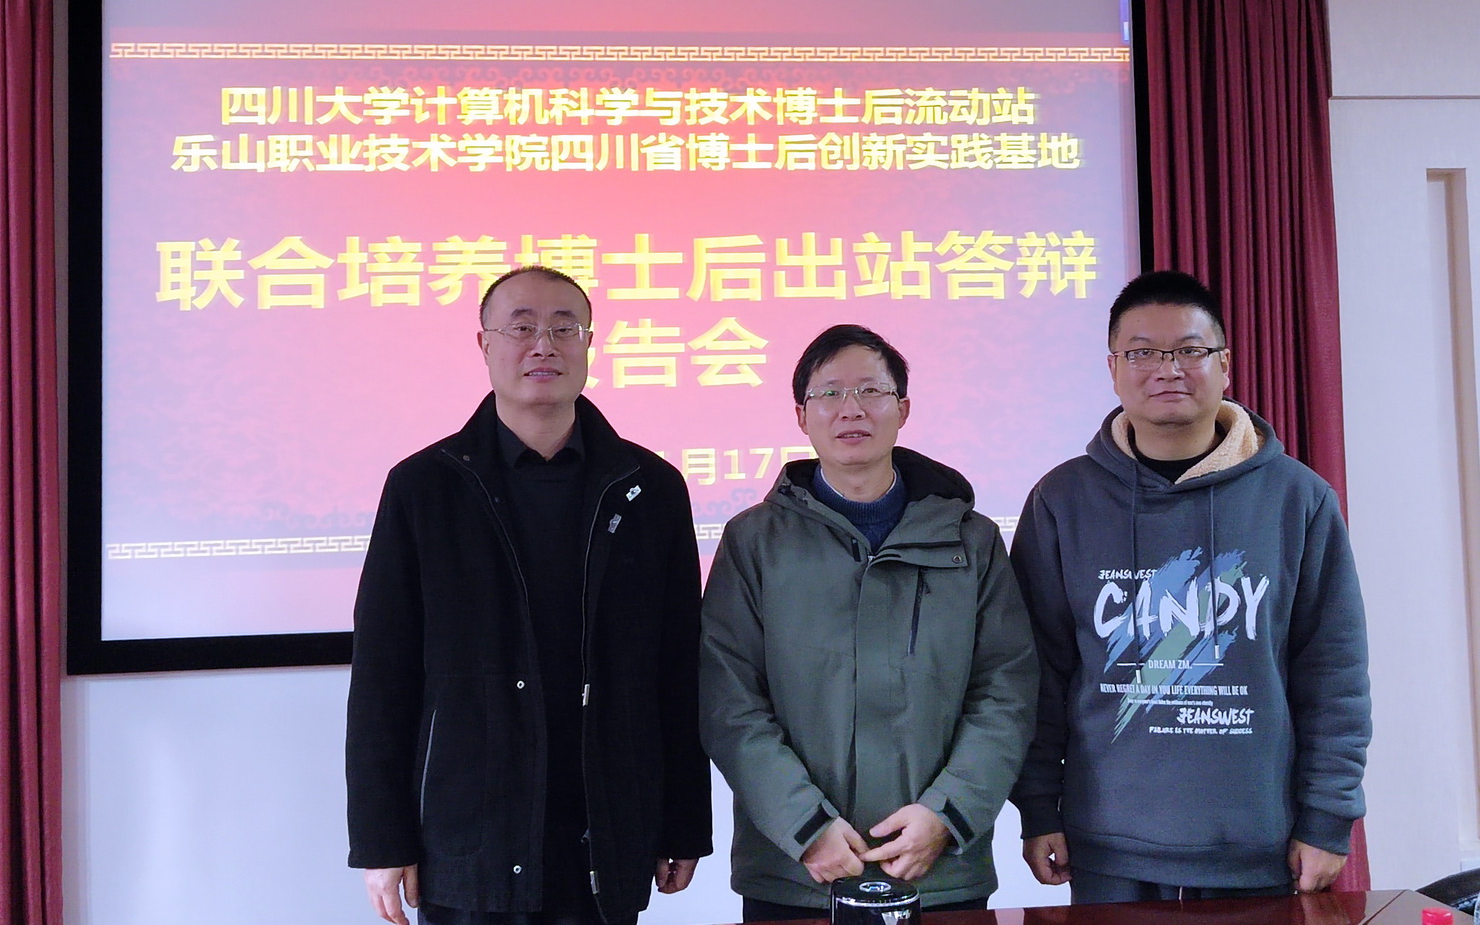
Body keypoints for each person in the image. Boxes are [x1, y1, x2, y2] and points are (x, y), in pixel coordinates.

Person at [345, 265, 712, 925]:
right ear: (484, 344)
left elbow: (678, 668)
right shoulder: (425, 487)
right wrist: (381, 839)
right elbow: (382, 678)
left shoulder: (649, 487)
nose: (543, 345)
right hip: (469, 833)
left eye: (564, 328)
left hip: (606, 826)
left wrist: (684, 821)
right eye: (521, 327)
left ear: (589, 344)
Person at [1009, 270, 1371, 904]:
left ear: (1224, 364)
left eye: (1189, 350)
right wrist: (1038, 805)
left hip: (1257, 845)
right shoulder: (1062, 500)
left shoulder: (1297, 499)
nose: (1167, 369)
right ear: (1113, 369)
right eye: (1142, 353)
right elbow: (1036, 671)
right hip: (1109, 846)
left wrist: (1327, 817)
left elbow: (1333, 673)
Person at [700, 324, 1038, 920]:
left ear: (902, 409)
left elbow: (1005, 690)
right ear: (801, 416)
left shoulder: (971, 541)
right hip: (796, 874)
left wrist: (947, 815)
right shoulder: (754, 542)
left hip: (939, 870)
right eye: (829, 393)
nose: (851, 409)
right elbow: (730, 700)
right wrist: (805, 827)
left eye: (871, 391)